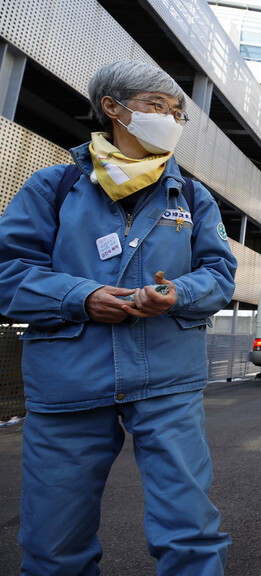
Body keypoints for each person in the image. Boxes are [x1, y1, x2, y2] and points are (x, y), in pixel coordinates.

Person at [0, 60, 236, 575]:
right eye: (157, 106)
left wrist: (178, 292)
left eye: (178, 113)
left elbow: (220, 275)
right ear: (112, 108)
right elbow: (7, 273)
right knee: (53, 542)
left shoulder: (194, 197)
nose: (170, 119)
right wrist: (81, 297)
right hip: (70, 384)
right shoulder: (54, 186)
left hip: (168, 380)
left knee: (191, 530)